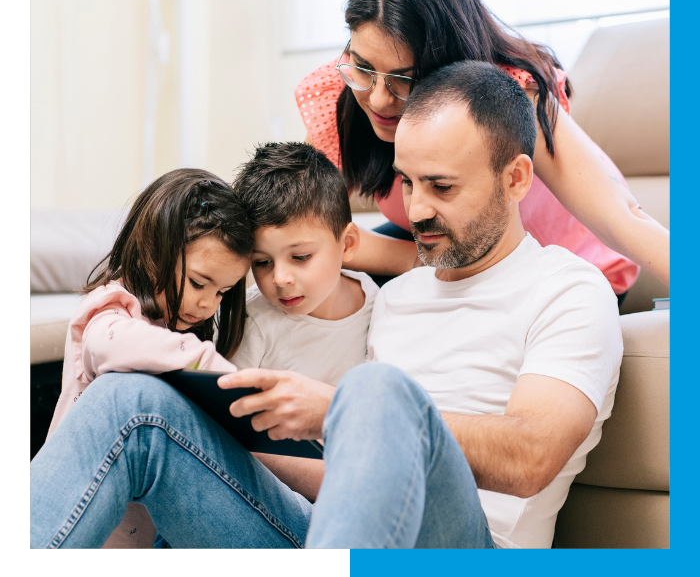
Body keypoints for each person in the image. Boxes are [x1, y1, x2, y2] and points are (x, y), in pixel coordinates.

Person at [30, 62, 622, 549]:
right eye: (407, 184)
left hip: (464, 544)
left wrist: (336, 411)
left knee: (378, 393)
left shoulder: (569, 290)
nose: (415, 211)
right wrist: (228, 431)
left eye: (441, 187)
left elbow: (530, 457)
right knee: (134, 402)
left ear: (516, 179)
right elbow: (348, 479)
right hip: (329, 530)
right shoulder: (395, 295)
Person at [297, 0, 669, 299]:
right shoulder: (346, 89)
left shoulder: (509, 99)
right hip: (450, 247)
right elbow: (302, 220)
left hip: (564, 268)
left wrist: (377, 254)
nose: (378, 99)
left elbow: (625, 219)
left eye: (404, 79)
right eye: (363, 67)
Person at [44, 168, 253, 547]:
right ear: (154, 250)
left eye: (223, 292)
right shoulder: (108, 313)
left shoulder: (176, 326)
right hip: (87, 513)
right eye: (198, 283)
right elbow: (119, 344)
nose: (208, 304)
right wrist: (209, 365)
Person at [231, 141, 378, 385]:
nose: (280, 279)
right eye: (262, 262)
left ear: (347, 244)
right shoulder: (252, 321)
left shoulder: (374, 300)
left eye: (300, 257)